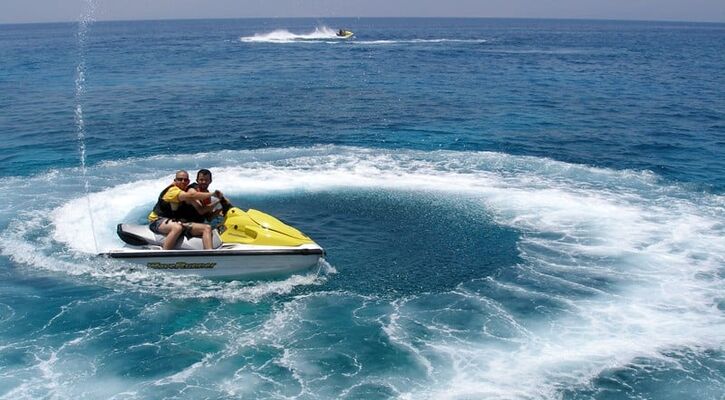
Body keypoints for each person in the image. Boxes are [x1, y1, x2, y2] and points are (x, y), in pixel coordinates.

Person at [147, 170, 223, 250]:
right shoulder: (173, 190)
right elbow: (192, 196)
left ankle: (210, 256)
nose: (183, 182)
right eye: (180, 179)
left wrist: (221, 209)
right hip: (158, 220)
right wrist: (214, 195)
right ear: (175, 180)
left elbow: (208, 217)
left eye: (185, 180)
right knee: (177, 227)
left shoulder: (201, 194)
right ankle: (163, 255)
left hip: (177, 221)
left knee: (207, 228)